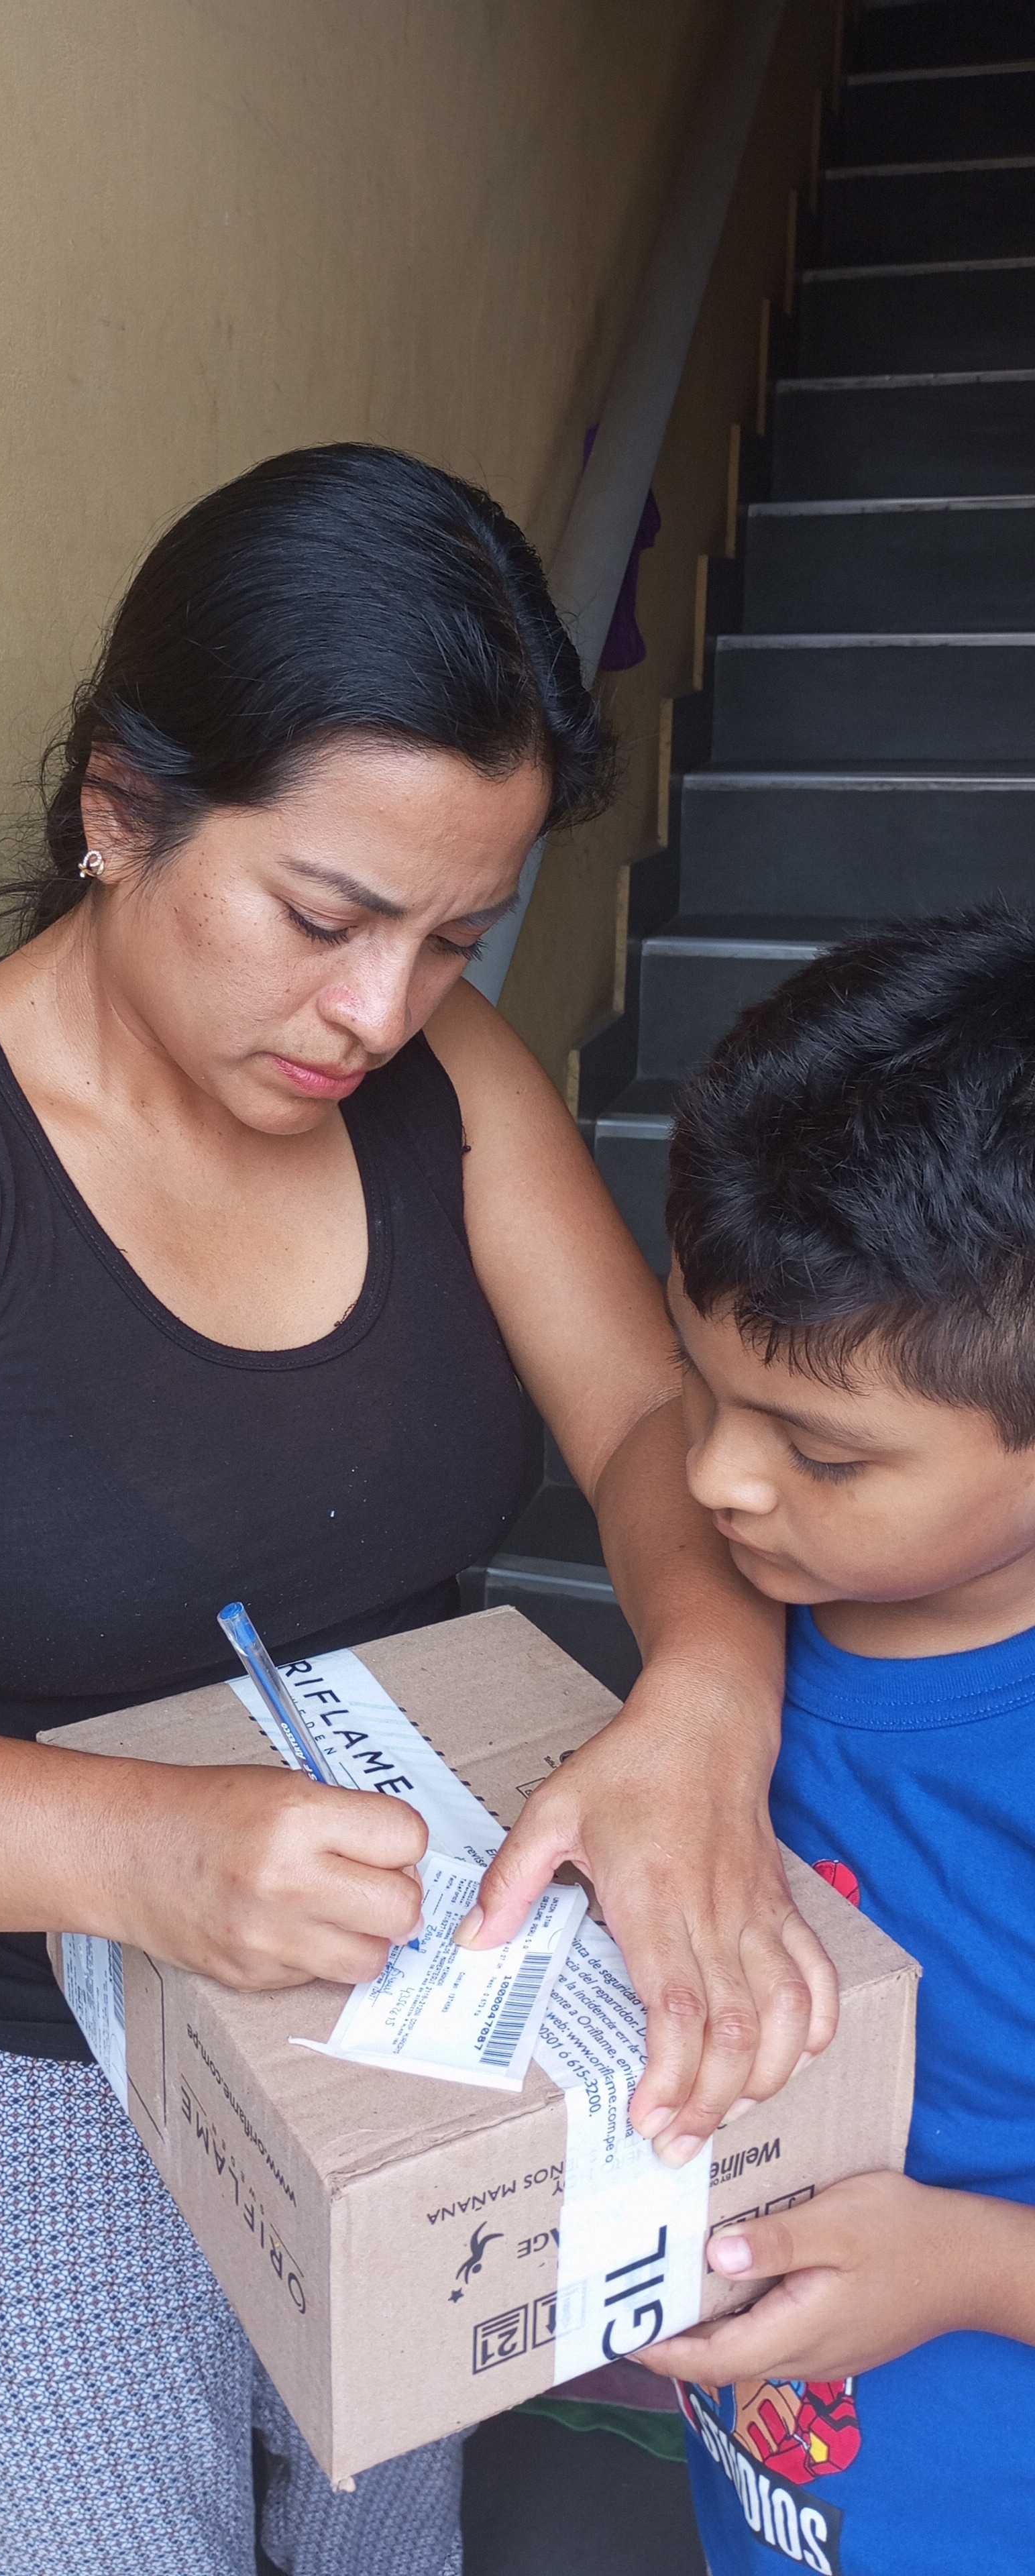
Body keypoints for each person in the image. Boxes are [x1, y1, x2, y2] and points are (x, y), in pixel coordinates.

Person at [0, 443, 834, 2576]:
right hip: (6, 2072)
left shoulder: (453, 1090)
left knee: (383, 2538)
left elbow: (648, 1418)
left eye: (454, 936)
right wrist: (137, 1856)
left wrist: (710, 1690)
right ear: (119, 807)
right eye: (325, 919)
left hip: (392, 2003)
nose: (380, 1012)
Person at [640, 906, 1035, 2576]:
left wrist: (968, 2270)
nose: (717, 1479)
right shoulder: (759, 1601)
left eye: (822, 1452)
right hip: (771, 2488)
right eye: (695, 1384)